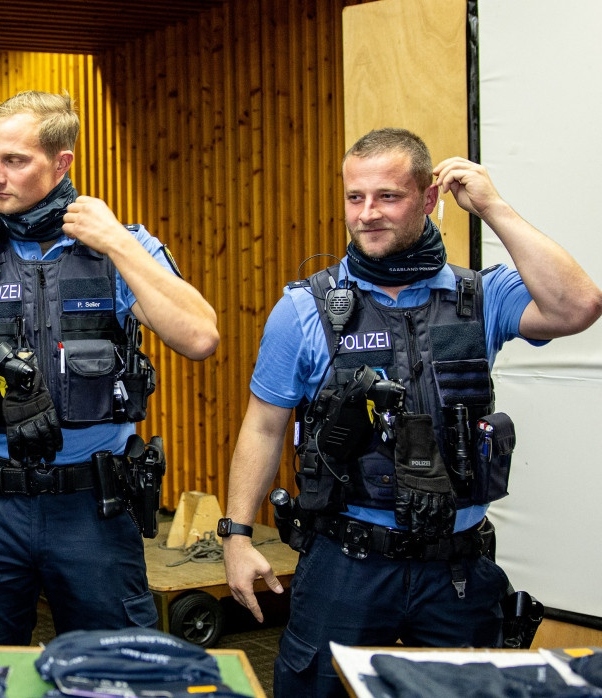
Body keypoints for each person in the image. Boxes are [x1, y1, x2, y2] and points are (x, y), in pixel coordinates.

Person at [221, 128, 602, 697]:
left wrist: (494, 208)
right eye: (355, 197)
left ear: (428, 200)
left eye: (388, 197)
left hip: (457, 573)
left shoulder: (482, 295)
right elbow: (263, 424)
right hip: (345, 566)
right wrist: (236, 536)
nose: (367, 214)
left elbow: (578, 306)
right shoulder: (304, 308)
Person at [0, 91, 219, 645]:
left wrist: (116, 242)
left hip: (92, 511)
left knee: (112, 674)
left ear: (62, 162)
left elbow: (201, 336)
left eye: (14, 160)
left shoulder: (119, 250)